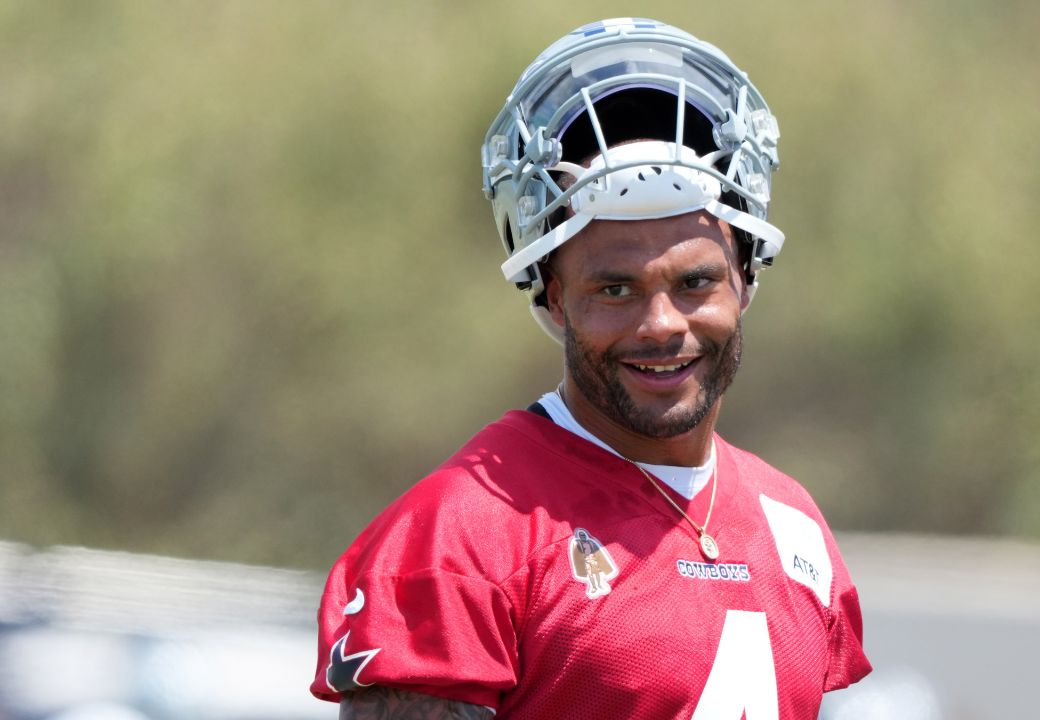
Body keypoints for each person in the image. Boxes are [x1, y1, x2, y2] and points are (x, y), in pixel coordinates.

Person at [311, 17, 871, 719]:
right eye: (615, 289)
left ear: (747, 279)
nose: (663, 324)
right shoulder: (460, 534)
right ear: (551, 297)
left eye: (695, 283)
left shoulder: (793, 526)